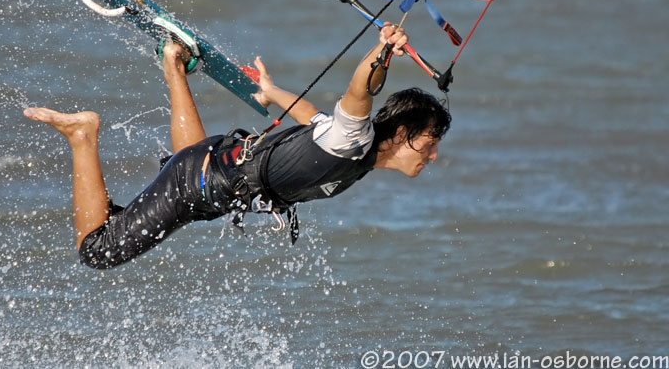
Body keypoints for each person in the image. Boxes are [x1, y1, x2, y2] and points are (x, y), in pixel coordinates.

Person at [24, 23, 450, 269]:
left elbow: (312, 116)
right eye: (429, 143)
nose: (433, 155)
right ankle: (82, 135)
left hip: (212, 170)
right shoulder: (354, 140)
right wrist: (382, 50)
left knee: (188, 165)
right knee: (98, 251)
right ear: (401, 133)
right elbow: (360, 90)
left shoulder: (352, 147)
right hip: (201, 183)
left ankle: (173, 63)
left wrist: (271, 91)